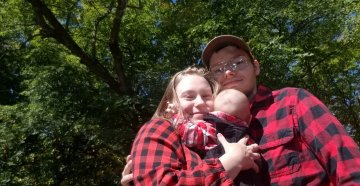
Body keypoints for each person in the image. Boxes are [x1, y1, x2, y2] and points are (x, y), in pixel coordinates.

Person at [122, 35, 360, 185]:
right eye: (218, 68)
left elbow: (349, 165)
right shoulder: (196, 129)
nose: (229, 71)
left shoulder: (292, 101)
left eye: (238, 62)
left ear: (255, 67)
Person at [126, 67, 261, 185]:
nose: (200, 102)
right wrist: (231, 162)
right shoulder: (158, 127)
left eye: (207, 96)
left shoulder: (224, 135)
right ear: (171, 103)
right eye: (189, 97)